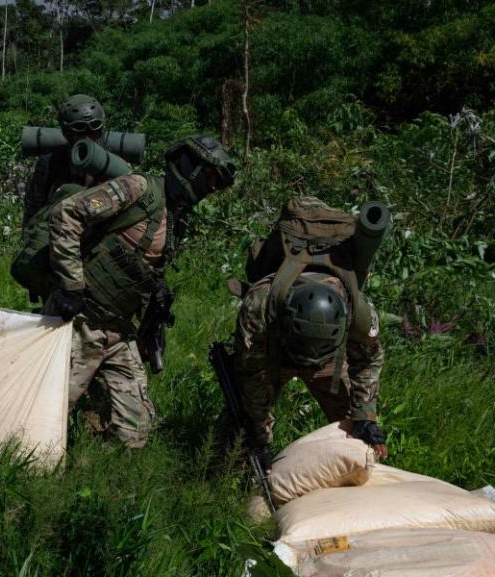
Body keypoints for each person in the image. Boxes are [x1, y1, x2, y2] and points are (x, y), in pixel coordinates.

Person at [42, 136, 235, 448]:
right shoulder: (137, 189)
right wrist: (72, 284)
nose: (211, 189)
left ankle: (94, 463)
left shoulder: (176, 218)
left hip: (119, 331)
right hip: (81, 321)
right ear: (193, 170)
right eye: (211, 179)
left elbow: (146, 271)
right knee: (46, 415)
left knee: (134, 432)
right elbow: (67, 213)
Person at [227, 200, 388, 469]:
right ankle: (228, 476)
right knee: (238, 428)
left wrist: (365, 416)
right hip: (275, 351)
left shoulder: (358, 311)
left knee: (357, 439)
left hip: (329, 362)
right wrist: (259, 435)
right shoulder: (260, 305)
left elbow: (368, 361)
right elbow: (251, 373)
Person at [23, 94, 107, 228]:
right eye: (80, 129)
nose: (88, 136)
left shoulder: (110, 161)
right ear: (66, 132)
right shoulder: (50, 163)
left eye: (94, 127)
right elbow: (34, 209)